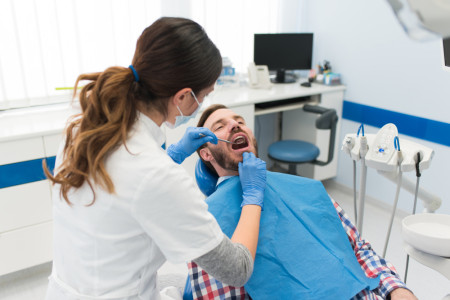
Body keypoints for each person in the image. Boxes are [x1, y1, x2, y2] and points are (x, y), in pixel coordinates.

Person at [44, 18, 267, 300]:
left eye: (239, 120)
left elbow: (131, 187)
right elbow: (238, 269)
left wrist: (172, 156)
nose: (233, 126)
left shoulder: (82, 129)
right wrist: (253, 196)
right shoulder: (159, 175)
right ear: (184, 96)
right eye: (206, 96)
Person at [186, 104, 418, 300]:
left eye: (239, 120)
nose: (235, 125)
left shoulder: (308, 189)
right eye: (219, 126)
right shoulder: (206, 221)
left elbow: (358, 249)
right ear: (206, 154)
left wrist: (396, 289)